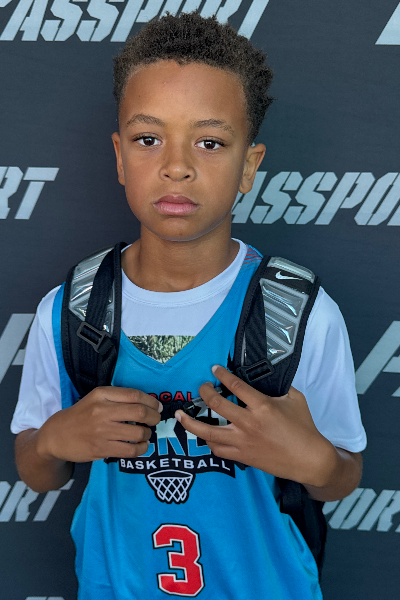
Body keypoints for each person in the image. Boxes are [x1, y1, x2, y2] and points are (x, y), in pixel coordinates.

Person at [11, 11, 366, 600]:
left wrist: (315, 463)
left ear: (249, 165)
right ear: (120, 156)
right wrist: (53, 440)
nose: (177, 166)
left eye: (210, 142)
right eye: (148, 139)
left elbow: (341, 478)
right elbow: (36, 470)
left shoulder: (299, 314)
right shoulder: (72, 310)